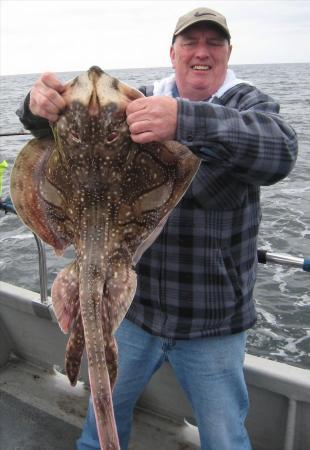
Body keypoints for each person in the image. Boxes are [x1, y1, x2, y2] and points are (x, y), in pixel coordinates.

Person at [16, 7, 298, 450]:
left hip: (212, 320)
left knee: (225, 439)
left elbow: (280, 150)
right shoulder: (135, 99)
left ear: (227, 53)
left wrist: (184, 120)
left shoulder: (248, 104)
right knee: (100, 418)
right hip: (132, 308)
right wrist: (36, 109)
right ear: (173, 52)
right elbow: (58, 132)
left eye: (213, 43)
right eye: (191, 42)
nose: (201, 52)